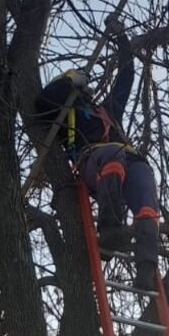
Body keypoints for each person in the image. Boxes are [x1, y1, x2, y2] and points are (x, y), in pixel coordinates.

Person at [34, 19, 159, 291]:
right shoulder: (65, 113)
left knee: (146, 183)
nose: (87, 94)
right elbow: (42, 102)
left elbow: (126, 76)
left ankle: (146, 266)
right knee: (112, 154)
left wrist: (121, 38)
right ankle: (110, 228)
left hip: (126, 162)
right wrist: (70, 80)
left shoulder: (107, 110)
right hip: (93, 163)